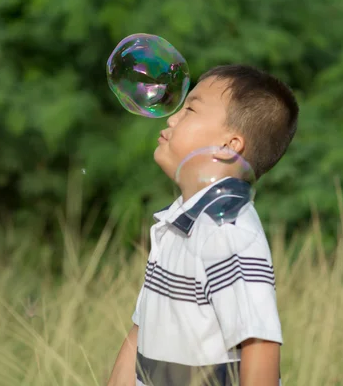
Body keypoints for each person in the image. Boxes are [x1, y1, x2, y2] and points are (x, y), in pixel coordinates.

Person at [107, 64, 299, 386]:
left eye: (190, 109)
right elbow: (141, 333)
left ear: (228, 146)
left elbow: (260, 345)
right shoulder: (175, 223)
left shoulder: (229, 232)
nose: (171, 118)